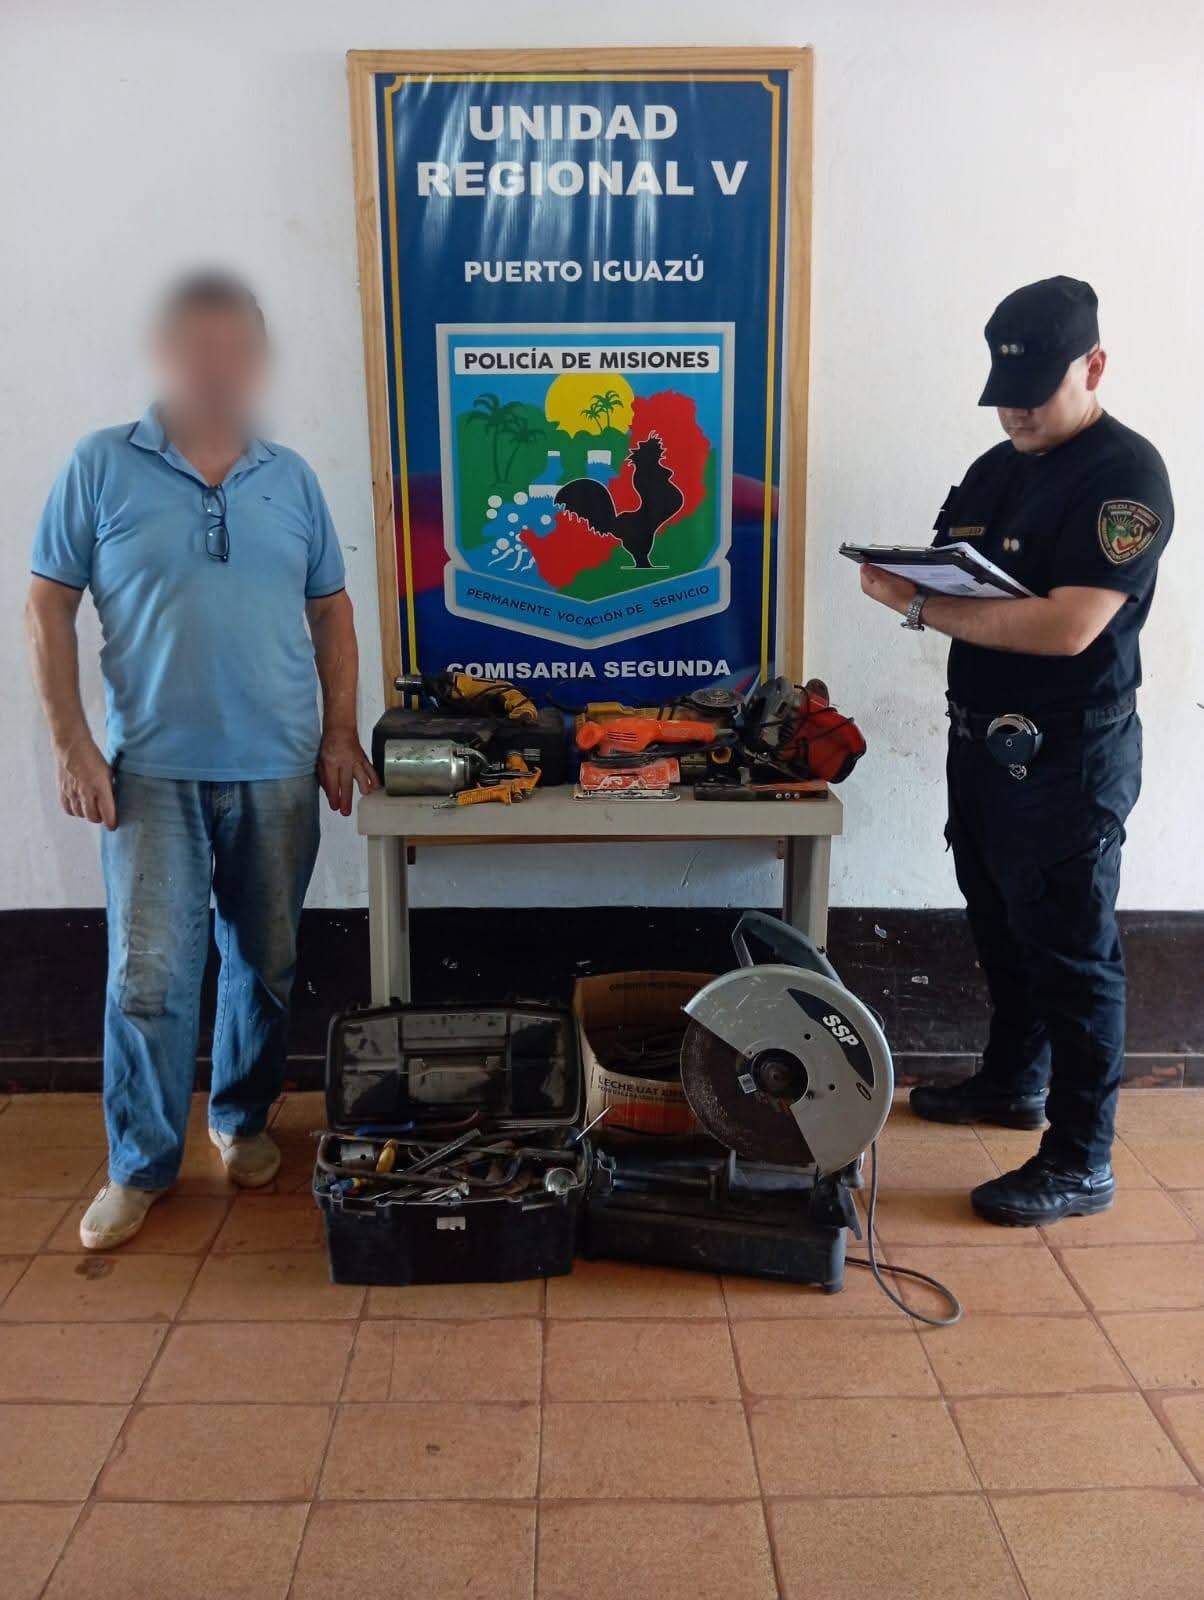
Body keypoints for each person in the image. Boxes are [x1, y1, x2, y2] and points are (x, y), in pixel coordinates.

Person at [25, 271, 378, 1249]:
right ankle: (140, 1164)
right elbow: (47, 605)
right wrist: (72, 743)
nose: (217, 366)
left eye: (235, 347)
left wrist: (339, 732)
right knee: (147, 975)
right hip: (149, 774)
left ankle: (241, 1118)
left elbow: (331, 611)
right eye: (197, 346)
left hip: (278, 770)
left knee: (265, 962)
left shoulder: (290, 478)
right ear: (166, 354)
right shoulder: (101, 465)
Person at [858, 276, 1172, 1226]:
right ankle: (1012, 1082)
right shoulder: (997, 467)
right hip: (982, 743)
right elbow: (958, 565)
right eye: (1004, 393)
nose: (1016, 411)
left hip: (1069, 755)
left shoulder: (1125, 476)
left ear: (1095, 366)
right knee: (999, 923)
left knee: (1073, 955)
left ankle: (1081, 1160)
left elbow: (1069, 628)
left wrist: (918, 606)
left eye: (1036, 392)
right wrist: (921, 584)